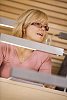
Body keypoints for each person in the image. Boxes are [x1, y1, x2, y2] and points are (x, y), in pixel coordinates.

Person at [0, 9, 52, 78]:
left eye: (45, 27)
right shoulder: (4, 46)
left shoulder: (45, 56)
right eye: (38, 24)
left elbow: (46, 85)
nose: (43, 29)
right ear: (24, 27)